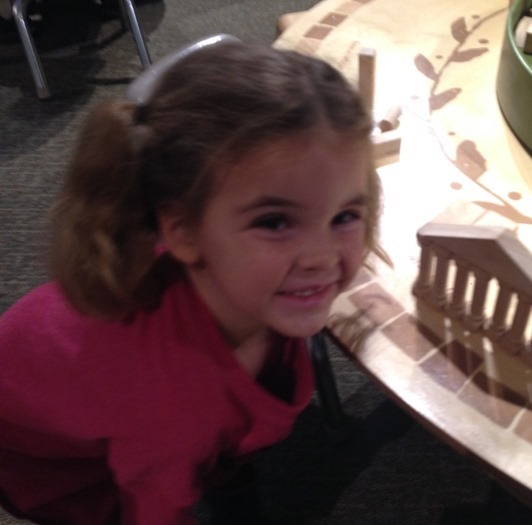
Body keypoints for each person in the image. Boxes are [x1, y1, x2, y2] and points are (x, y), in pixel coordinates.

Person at [0, 37, 387, 524]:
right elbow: (155, 510)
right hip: (53, 463)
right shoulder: (169, 413)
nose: (322, 257)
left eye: (344, 216)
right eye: (274, 222)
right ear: (181, 232)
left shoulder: (245, 284)